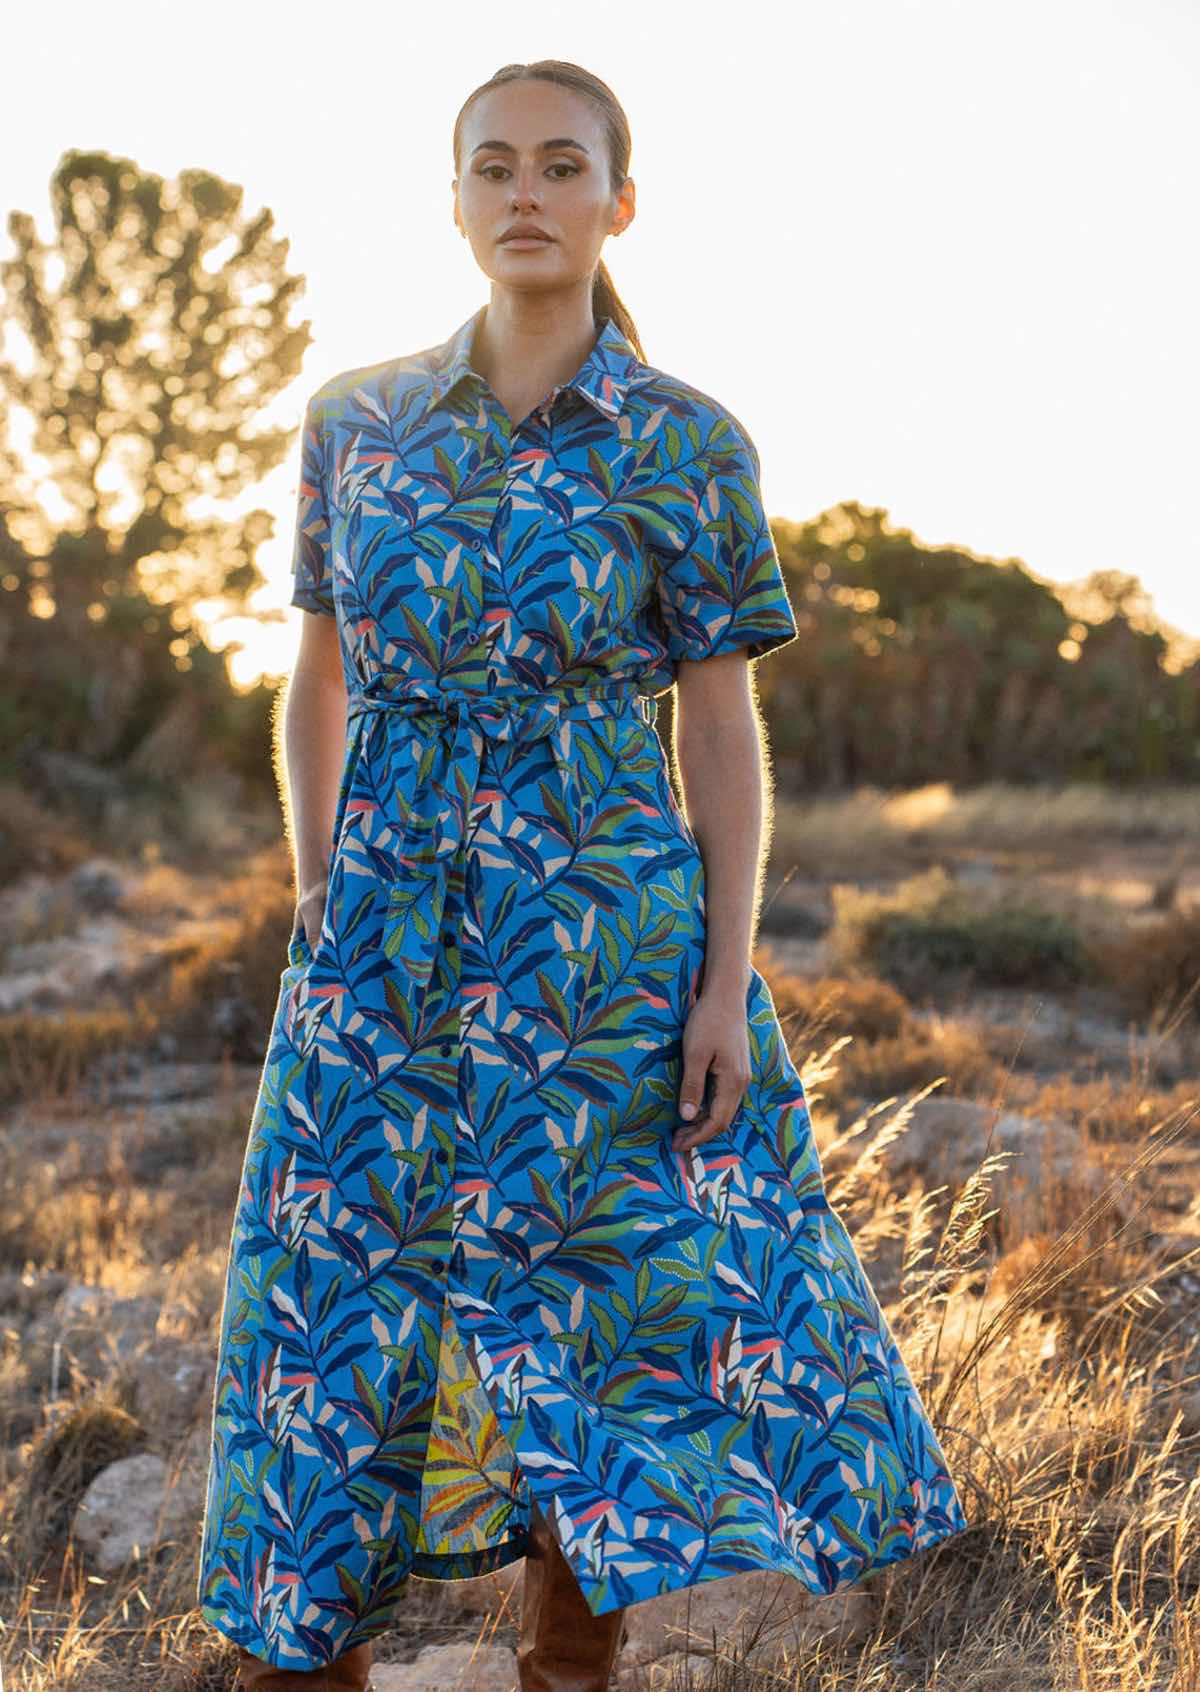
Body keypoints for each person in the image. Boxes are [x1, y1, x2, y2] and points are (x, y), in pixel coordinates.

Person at [197, 58, 970, 1692]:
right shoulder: (357, 420)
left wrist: (720, 980)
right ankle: (308, 1665)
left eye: (563, 166)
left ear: (621, 201)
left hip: (601, 933)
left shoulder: (687, 444)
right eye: (495, 167)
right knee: (337, 1299)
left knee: (598, 1307)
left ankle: (569, 1670)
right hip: (380, 940)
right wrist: (320, 883)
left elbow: (723, 728)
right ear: (457, 200)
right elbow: (316, 673)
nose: (526, 193)